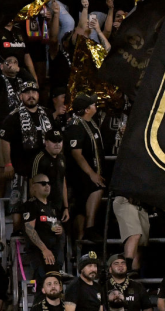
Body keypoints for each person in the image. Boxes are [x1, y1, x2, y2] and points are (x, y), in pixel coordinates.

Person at [64, 94, 105, 244]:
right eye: (93, 104)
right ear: (87, 109)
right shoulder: (75, 126)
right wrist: (92, 174)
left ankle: (81, 240)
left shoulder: (90, 122)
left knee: (81, 207)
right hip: (80, 174)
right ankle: (89, 229)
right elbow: (76, 153)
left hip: (90, 172)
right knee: (97, 188)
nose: (96, 106)